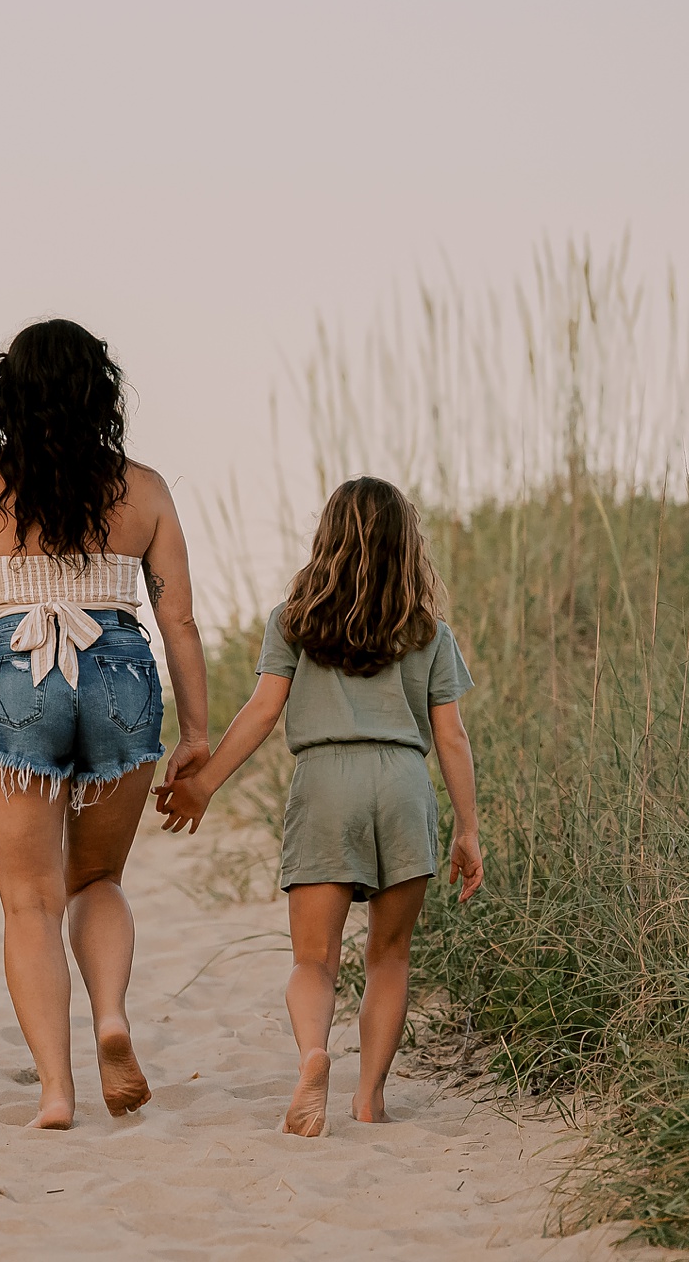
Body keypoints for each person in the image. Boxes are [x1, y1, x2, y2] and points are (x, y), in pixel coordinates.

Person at [0, 318, 211, 1130]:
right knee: (96, 881)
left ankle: (57, 1093)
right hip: (123, 671)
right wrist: (199, 738)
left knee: (29, 899)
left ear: (8, 392)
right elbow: (179, 624)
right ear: (101, 394)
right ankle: (110, 1016)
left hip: (19, 670)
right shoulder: (145, 489)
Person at [159, 476, 485, 1136]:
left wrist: (206, 782)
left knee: (314, 960)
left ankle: (314, 1053)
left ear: (326, 541)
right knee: (389, 958)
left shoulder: (293, 622)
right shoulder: (428, 632)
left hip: (324, 783)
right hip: (401, 782)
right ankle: (370, 1099)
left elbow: (261, 711)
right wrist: (469, 830)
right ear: (408, 547)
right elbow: (451, 735)